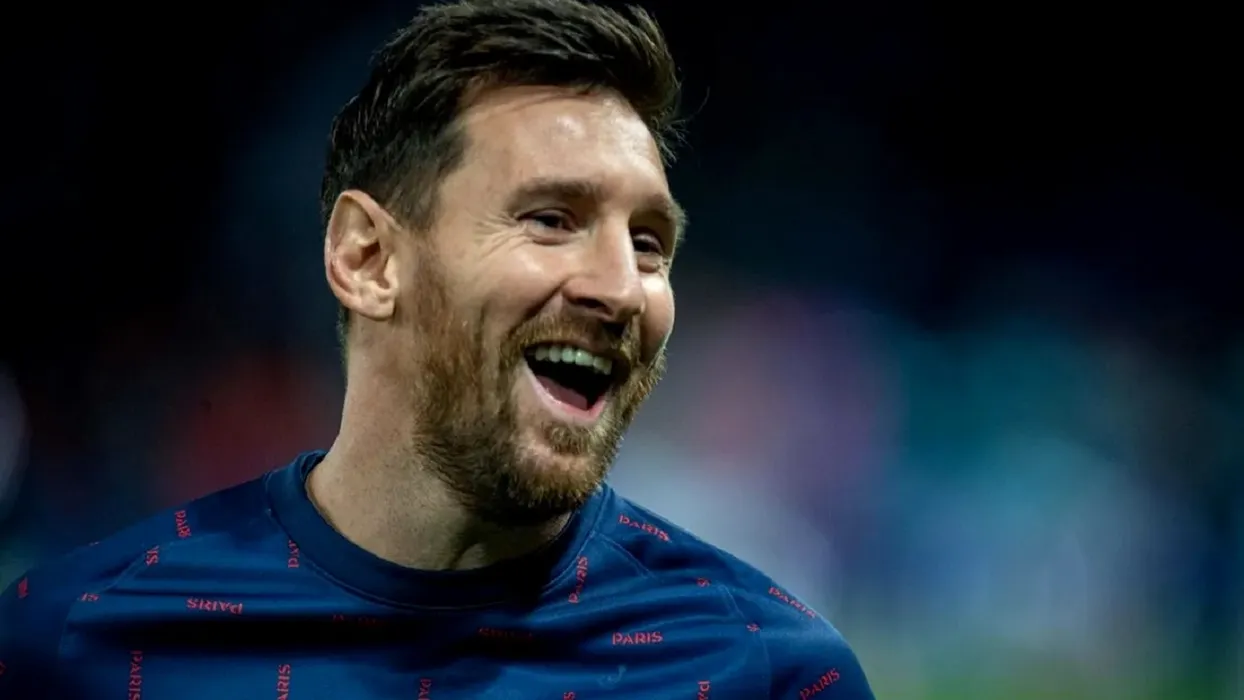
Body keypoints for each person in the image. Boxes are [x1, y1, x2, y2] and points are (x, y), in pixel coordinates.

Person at [0, 1, 875, 697]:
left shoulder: (764, 670)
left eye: (649, 244)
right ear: (367, 260)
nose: (622, 288)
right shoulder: (70, 647)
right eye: (551, 219)